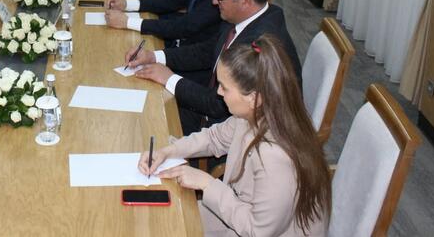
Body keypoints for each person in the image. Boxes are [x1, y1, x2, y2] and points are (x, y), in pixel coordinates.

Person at [139, 36, 330, 236]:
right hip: (237, 210)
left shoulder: (275, 156)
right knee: (164, 220)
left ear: (254, 98)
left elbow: (257, 231)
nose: (219, 92)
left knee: (169, 224)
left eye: (225, 87)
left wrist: (207, 183)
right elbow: (213, 138)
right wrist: (167, 152)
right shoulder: (253, 114)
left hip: (254, 228)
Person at [123, 0, 300, 135]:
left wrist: (169, 78)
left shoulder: (256, 47)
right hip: (215, 102)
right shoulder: (246, 17)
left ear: (245, 1)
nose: (215, 2)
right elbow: (207, 51)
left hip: (238, 130)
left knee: (145, 123)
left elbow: (218, 105)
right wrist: (155, 56)